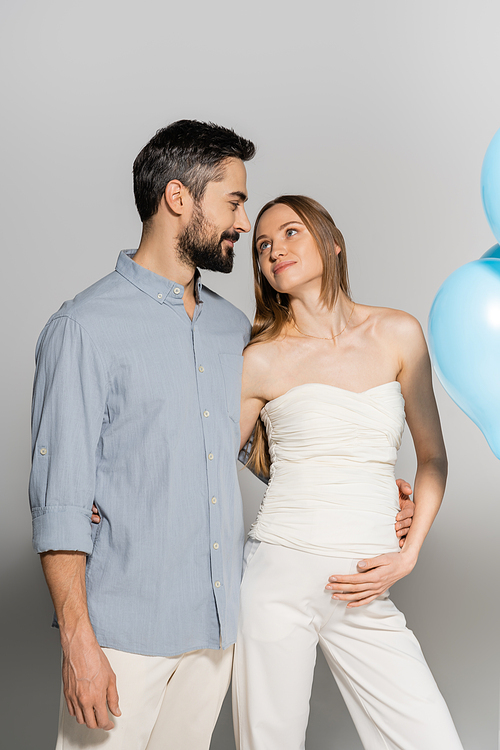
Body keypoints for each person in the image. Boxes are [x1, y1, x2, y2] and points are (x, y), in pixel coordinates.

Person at [29, 122, 413, 750]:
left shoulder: (233, 330)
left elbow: (256, 448)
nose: (242, 222)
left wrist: (368, 489)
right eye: (233, 201)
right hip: (121, 637)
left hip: (216, 631)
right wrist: (78, 641)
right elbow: (61, 502)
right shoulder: (83, 328)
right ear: (179, 198)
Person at [232, 195, 463, 749]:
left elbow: (432, 457)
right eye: (263, 246)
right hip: (276, 579)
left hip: (365, 582)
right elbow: (208, 462)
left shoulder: (398, 333)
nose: (273, 250)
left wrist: (407, 553)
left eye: (290, 233)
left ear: (332, 241)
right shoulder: (259, 358)